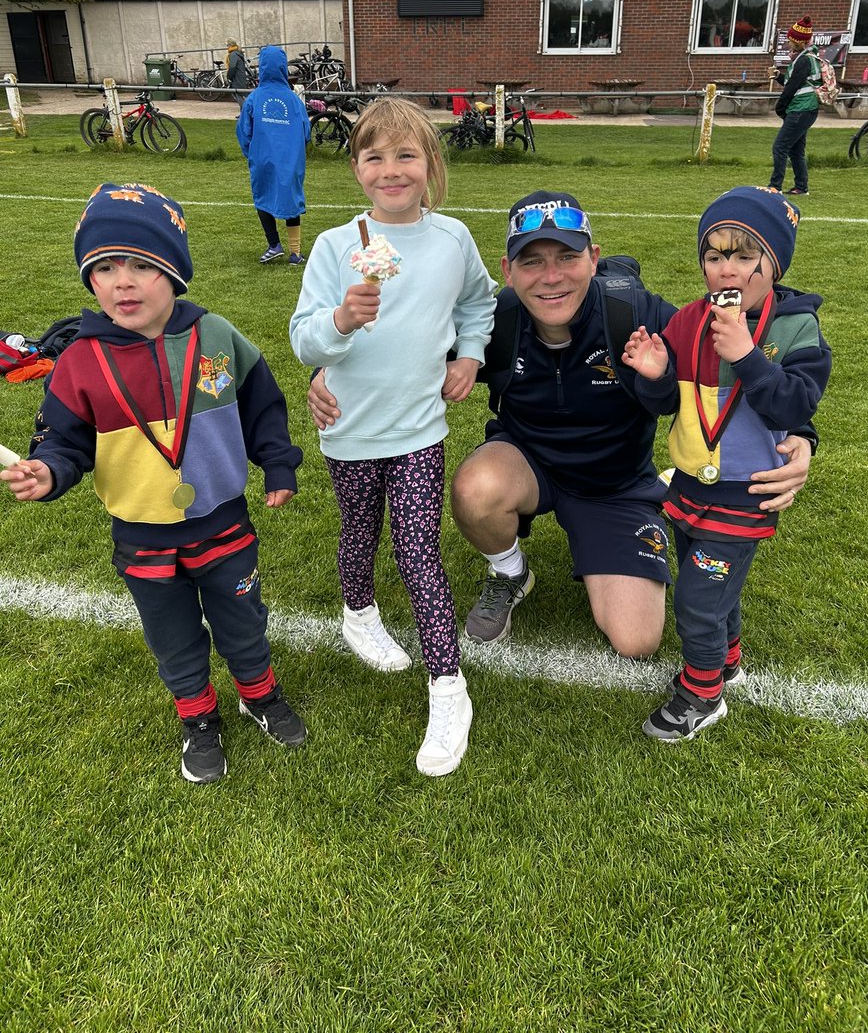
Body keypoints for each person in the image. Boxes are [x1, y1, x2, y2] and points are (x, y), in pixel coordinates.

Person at [309, 190, 813, 670]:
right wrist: (325, 376)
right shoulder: (496, 320)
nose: (551, 278)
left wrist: (802, 436)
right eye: (532, 261)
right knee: (475, 488)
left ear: (594, 258)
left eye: (567, 258)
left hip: (613, 486)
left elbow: (733, 348)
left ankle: (652, 503)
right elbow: (403, 353)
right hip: (527, 465)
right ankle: (510, 572)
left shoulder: (633, 313)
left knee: (636, 640)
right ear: (507, 271)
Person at [0, 183, 305, 785]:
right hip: (142, 535)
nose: (124, 282)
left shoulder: (217, 336)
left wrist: (278, 463)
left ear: (175, 272)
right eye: (106, 267)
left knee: (243, 618)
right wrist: (49, 471)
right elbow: (63, 441)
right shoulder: (79, 361)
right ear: (90, 281)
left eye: (142, 265)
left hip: (222, 519)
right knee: (173, 635)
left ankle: (258, 693)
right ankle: (197, 717)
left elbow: (262, 403)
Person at [289, 97, 496, 777]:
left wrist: (469, 355)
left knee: (417, 550)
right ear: (356, 169)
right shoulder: (333, 247)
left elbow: (478, 302)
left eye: (406, 155)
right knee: (358, 532)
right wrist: (342, 322)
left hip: (417, 432)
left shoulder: (452, 239)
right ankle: (357, 613)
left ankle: (448, 686)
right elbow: (303, 339)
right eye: (374, 156)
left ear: (430, 164)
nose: (391, 169)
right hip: (348, 428)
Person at [622, 186, 831, 741]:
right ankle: (728, 659)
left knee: (697, 594)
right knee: (709, 584)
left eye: (743, 256)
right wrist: (653, 373)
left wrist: (745, 355)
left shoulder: (794, 328)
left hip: (746, 492)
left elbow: (795, 404)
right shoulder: (688, 319)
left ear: (774, 262)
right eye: (715, 256)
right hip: (689, 484)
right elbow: (665, 404)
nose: (727, 270)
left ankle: (703, 693)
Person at [237, 45, 312, 266]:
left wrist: (250, 152)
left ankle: (274, 245)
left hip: (262, 159)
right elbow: (306, 130)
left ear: (261, 68)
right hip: (290, 160)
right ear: (283, 68)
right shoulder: (293, 100)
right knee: (290, 200)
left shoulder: (254, 99)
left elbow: (243, 130)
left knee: (262, 197)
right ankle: (295, 253)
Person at [768, 15, 821, 197]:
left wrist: (780, 107)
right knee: (796, 149)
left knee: (780, 147)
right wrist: (778, 77)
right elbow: (795, 82)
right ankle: (801, 186)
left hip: (801, 109)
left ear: (797, 41)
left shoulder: (804, 60)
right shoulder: (806, 58)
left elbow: (792, 88)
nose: (788, 43)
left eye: (790, 40)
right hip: (806, 109)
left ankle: (775, 186)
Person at [226, 38, 249, 109]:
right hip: (240, 76)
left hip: (237, 77)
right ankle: (244, 112)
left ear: (230, 45)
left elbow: (232, 67)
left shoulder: (233, 54)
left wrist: (229, 77)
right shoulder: (237, 53)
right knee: (241, 95)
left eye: (227, 45)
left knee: (238, 94)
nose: (227, 47)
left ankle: (244, 112)